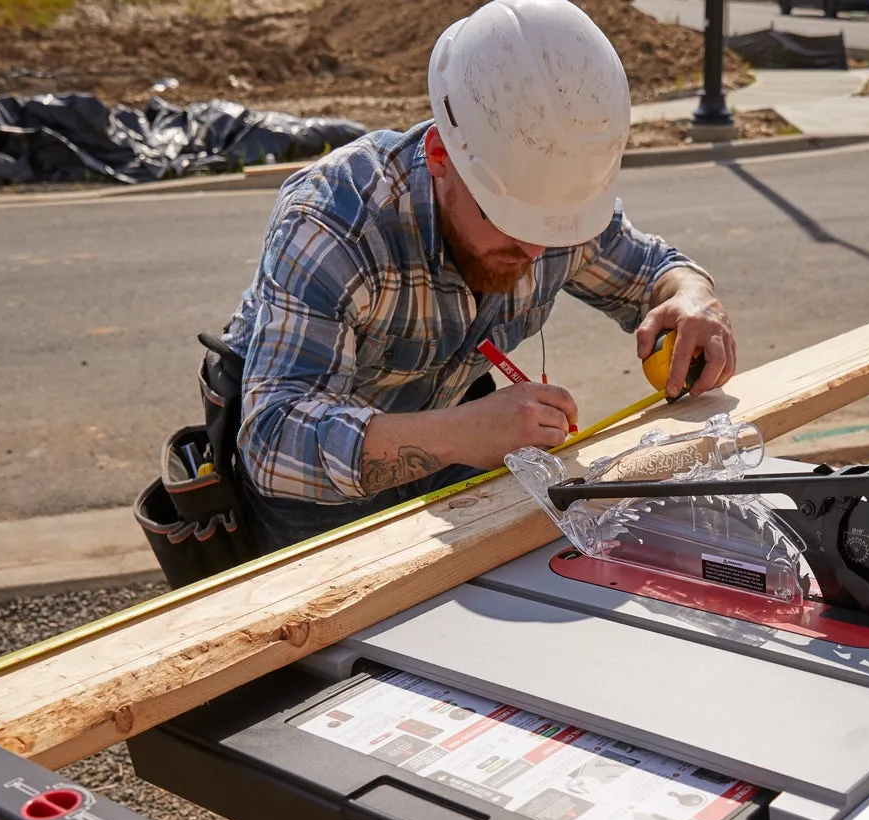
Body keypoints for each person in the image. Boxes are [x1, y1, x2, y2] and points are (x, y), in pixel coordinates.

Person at [218, 0, 737, 553]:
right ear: (441, 154)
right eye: (508, 219)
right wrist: (464, 432)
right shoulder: (337, 222)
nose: (533, 249)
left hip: (459, 451)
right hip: (318, 500)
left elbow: (654, 273)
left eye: (551, 228)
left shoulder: (550, 209)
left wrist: (693, 296)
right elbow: (274, 444)